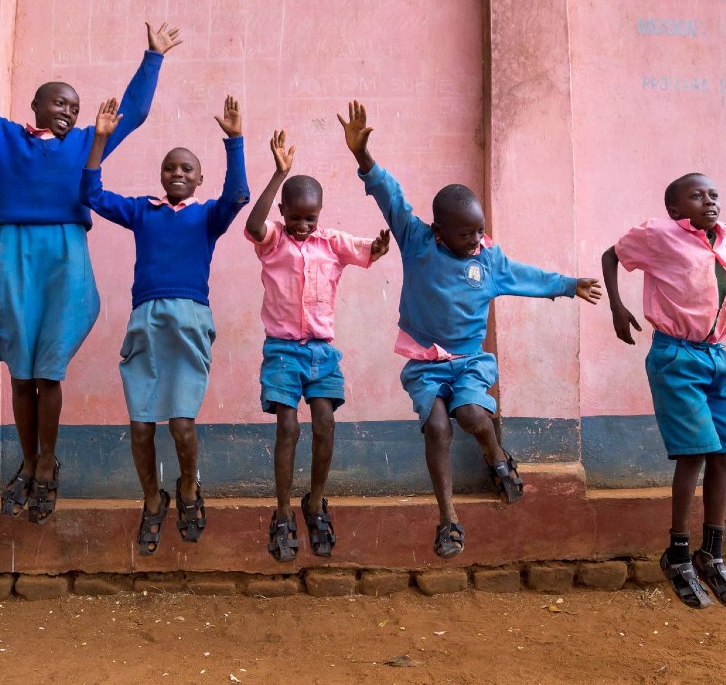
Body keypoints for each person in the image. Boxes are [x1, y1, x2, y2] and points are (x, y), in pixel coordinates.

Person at [0, 20, 181, 524]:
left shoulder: (88, 141)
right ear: (37, 106)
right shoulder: (3, 136)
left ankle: (46, 463)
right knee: (22, 374)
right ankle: (27, 455)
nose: (69, 113)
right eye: (60, 103)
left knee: (49, 370)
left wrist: (153, 57)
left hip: (65, 258)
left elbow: (137, 111)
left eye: (75, 108)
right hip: (15, 253)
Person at [340, 100, 602, 559]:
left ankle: (496, 456)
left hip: (469, 363)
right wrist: (363, 156)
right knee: (438, 428)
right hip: (425, 362)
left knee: (474, 418)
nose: (476, 240)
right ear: (439, 230)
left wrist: (567, 285)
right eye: (465, 234)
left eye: (480, 231)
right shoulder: (417, 240)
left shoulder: (489, 260)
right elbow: (390, 196)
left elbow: (527, 277)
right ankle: (448, 519)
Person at [80, 96, 249, 555]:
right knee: (141, 427)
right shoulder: (142, 210)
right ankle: (153, 500)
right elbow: (92, 195)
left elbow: (238, 196)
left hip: (190, 320)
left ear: (198, 179)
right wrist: (98, 140)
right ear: (161, 175)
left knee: (181, 425)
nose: (178, 173)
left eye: (188, 169)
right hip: (146, 321)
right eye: (171, 167)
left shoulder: (207, 215)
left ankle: (189, 490)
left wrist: (234, 141)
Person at [601, 173, 726, 609]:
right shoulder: (659, 233)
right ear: (675, 210)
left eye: (713, 194)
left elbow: (718, 283)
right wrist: (618, 306)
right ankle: (676, 553)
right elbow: (611, 255)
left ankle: (711, 553)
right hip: (675, 356)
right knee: (693, 453)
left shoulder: (721, 238)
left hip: (717, 356)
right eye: (696, 196)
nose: (709, 200)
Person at [244, 129, 390, 562]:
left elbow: (367, 250)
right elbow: (254, 225)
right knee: (287, 427)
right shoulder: (273, 241)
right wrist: (278, 173)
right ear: (284, 210)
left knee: (324, 422)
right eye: (296, 217)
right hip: (283, 351)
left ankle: (315, 501)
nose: (303, 226)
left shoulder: (331, 243)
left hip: (323, 352)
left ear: (320, 214)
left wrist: (379, 248)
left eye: (311, 218)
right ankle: (284, 511)